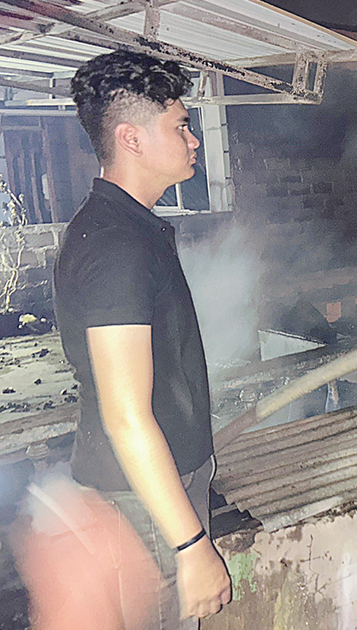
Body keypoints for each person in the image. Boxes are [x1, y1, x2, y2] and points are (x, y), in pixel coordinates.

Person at [50, 49, 231, 627]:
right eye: (180, 125)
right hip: (148, 503)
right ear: (131, 139)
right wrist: (192, 546)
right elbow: (125, 416)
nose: (194, 139)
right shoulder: (115, 246)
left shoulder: (126, 226)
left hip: (154, 490)